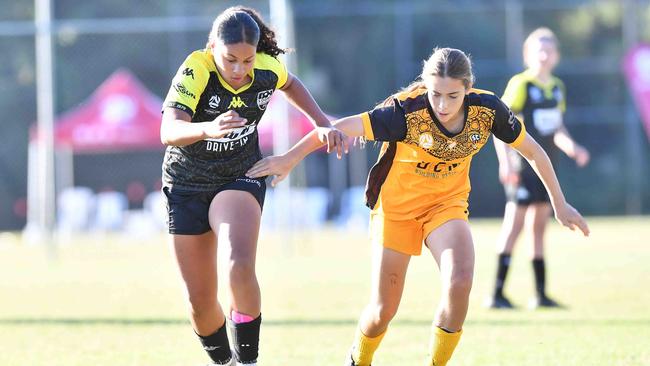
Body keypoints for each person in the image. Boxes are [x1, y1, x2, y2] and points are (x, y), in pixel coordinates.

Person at [246, 47, 590, 366]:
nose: (442, 104)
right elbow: (335, 127)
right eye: (435, 94)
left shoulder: (487, 111)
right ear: (425, 86)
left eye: (452, 96)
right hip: (396, 209)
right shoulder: (404, 111)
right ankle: (358, 359)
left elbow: (534, 151)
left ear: (467, 90)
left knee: (460, 281)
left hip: (446, 205)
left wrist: (559, 205)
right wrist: (290, 158)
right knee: (383, 311)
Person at [160, 6, 346, 366]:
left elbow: (290, 82)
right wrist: (208, 128)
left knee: (238, 265)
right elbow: (168, 131)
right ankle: (225, 362)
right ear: (213, 47)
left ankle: (249, 362)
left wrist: (321, 122)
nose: (239, 70)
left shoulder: (265, 67)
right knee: (200, 303)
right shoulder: (196, 68)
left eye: (246, 61)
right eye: (230, 59)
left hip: (239, 174)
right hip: (186, 183)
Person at [486, 28, 591, 310]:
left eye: (549, 50)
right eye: (538, 51)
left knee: (539, 228)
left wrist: (573, 148)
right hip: (522, 167)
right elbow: (499, 127)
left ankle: (540, 295)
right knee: (514, 227)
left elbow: (556, 128)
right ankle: (496, 294)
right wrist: (505, 161)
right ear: (527, 55)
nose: (544, 56)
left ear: (556, 55)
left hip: (546, 170)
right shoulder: (520, 84)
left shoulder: (556, 87)